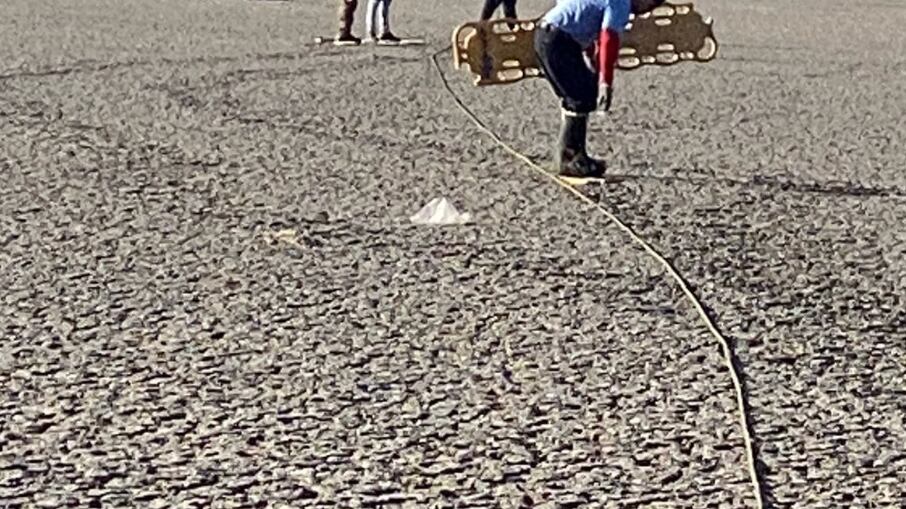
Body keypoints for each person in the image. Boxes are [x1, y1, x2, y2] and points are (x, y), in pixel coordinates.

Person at [534, 0, 665, 178]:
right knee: (580, 97)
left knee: (581, 93)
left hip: (546, 34)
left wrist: (593, 65)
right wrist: (606, 82)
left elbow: (586, 26)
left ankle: (571, 155)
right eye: (650, 4)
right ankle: (570, 159)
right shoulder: (621, 3)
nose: (647, 10)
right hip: (557, 39)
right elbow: (608, 38)